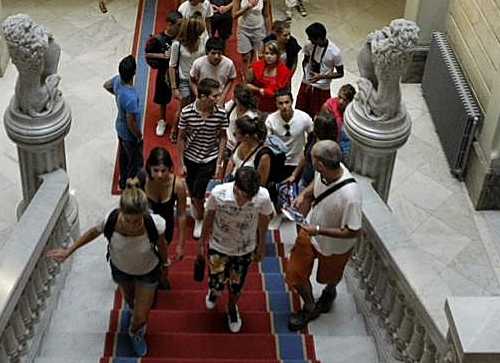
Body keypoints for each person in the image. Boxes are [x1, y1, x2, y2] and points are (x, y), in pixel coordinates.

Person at [46, 179, 166, 357]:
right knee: (131, 301)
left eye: (137, 221)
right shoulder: (109, 219)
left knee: (141, 317)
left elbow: (162, 246)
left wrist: (165, 265)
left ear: (144, 214)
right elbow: (91, 233)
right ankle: (133, 312)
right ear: (120, 212)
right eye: (128, 220)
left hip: (148, 271)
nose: (132, 225)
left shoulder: (155, 224)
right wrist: (69, 250)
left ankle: (135, 330)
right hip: (121, 269)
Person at [286, 140, 362, 331]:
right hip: (310, 233)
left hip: (334, 246)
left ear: (319, 164)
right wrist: (304, 194)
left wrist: (319, 230)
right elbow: (317, 182)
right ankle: (310, 306)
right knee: (296, 272)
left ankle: (329, 291)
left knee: (331, 276)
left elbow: (353, 230)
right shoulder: (325, 171)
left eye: (312, 158)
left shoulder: (350, 196)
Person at [199, 166, 275, 334]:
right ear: (236, 187)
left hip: (244, 249)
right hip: (219, 246)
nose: (248, 200)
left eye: (251, 197)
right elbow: (209, 216)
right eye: (245, 196)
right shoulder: (218, 194)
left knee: (236, 285)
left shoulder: (262, 197)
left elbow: (264, 219)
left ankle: (232, 308)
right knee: (215, 281)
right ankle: (214, 292)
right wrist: (201, 243)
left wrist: (261, 245)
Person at [175, 77, 229, 239]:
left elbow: (222, 137)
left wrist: (219, 162)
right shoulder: (187, 113)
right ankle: (197, 206)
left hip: (209, 158)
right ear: (203, 97)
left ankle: (199, 218)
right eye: (214, 96)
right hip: (190, 157)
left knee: (198, 192)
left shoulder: (220, 113)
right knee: (192, 188)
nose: (218, 98)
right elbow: (181, 138)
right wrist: (181, 163)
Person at [144, 147, 188, 287]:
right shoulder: (141, 181)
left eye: (163, 170)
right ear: (149, 168)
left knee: (161, 255)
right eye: (156, 170)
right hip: (145, 227)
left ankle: (161, 278)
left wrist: (180, 244)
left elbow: (181, 215)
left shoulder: (178, 186)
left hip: (165, 228)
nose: (160, 175)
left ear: (169, 168)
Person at [105, 56, 142, 191]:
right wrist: (138, 135)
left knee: (123, 155)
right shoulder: (130, 98)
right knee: (133, 159)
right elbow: (130, 122)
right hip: (128, 133)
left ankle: (122, 179)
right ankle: (130, 183)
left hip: (119, 127)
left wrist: (116, 94)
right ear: (134, 73)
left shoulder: (117, 82)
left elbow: (106, 85)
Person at [168, 16, 207, 142]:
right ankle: (175, 129)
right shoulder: (177, 45)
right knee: (183, 107)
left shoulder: (203, 41)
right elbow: (172, 66)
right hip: (184, 79)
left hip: (199, 79)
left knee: (198, 105)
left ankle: (193, 130)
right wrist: (174, 88)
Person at [144, 10, 182, 138]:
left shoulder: (181, 37)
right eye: (178, 25)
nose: (180, 28)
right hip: (164, 71)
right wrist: (162, 55)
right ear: (169, 25)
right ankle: (162, 120)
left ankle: (181, 120)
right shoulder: (158, 39)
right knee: (162, 98)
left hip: (180, 71)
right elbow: (147, 53)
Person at [266, 88, 313, 185]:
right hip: (279, 163)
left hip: (298, 162)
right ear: (276, 104)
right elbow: (267, 144)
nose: (284, 106)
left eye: (287, 102)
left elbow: (313, 138)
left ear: (292, 102)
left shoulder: (304, 118)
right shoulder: (270, 120)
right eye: (281, 103)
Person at [297, 22, 344, 117]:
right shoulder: (309, 44)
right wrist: (306, 74)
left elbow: (340, 73)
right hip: (307, 83)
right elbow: (305, 60)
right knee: (300, 112)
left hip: (321, 87)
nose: (309, 39)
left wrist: (321, 76)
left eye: (311, 38)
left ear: (318, 38)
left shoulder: (335, 52)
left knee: (320, 115)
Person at [234, 0, 273, 82]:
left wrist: (269, 34)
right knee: (245, 56)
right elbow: (234, 14)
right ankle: (246, 78)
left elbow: (266, 16)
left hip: (258, 29)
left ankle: (254, 72)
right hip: (243, 29)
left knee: (259, 55)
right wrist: (248, 6)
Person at [224, 113, 271, 188]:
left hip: (247, 193)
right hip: (231, 186)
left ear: (246, 136)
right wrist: (225, 182)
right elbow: (232, 161)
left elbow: (261, 185)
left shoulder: (263, 156)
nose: (233, 134)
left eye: (236, 132)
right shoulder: (240, 142)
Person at [245, 40, 292, 113]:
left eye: (272, 54)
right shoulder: (254, 67)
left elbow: (287, 92)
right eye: (267, 53)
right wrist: (259, 89)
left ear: (278, 55)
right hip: (256, 106)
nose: (269, 56)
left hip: (275, 108)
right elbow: (246, 84)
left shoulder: (285, 72)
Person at [191, 37, 237, 102]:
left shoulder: (229, 63)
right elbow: (191, 79)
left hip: (218, 96)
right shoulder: (198, 63)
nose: (216, 56)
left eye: (219, 53)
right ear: (207, 51)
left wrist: (223, 95)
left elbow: (231, 79)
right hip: (203, 97)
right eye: (213, 53)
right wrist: (198, 95)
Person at [324, 83, 355, 158]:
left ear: (350, 101)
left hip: (345, 142)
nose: (341, 102)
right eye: (340, 97)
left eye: (345, 100)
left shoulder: (353, 111)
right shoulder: (330, 104)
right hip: (331, 139)